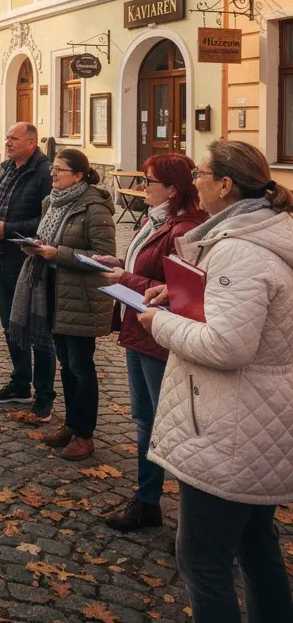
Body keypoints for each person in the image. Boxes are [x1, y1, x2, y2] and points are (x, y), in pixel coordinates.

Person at [137, 140, 293, 622]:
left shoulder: (241, 250)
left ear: (225, 185)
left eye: (201, 173)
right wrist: (181, 296)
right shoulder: (266, 232)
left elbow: (228, 345)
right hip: (259, 418)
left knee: (203, 560)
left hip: (230, 425)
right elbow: (245, 318)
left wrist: (157, 323)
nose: (195, 181)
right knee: (255, 546)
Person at [94, 154, 206, 534]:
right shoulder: (156, 219)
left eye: (150, 182)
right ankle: (147, 499)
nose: (143, 188)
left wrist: (125, 277)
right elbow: (148, 269)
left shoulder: (184, 230)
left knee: (161, 422)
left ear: (173, 189)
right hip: (139, 327)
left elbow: (181, 291)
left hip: (159, 334)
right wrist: (120, 263)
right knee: (144, 419)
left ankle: (158, 504)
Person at [10, 148, 115, 461]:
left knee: (82, 367)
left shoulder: (95, 208)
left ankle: (85, 435)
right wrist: (37, 249)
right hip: (52, 290)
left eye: (60, 170)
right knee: (67, 365)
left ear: (78, 176)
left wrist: (59, 254)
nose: (52, 174)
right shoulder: (50, 202)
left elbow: (104, 256)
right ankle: (71, 425)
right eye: (53, 169)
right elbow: (48, 240)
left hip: (81, 297)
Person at [0, 123, 53, 418]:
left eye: (13, 138)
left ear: (31, 143)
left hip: (27, 260)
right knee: (10, 324)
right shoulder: (6, 167)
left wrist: (9, 230)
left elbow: (46, 222)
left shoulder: (44, 173)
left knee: (36, 329)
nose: (7, 142)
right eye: (6, 137)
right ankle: (20, 384)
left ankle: (44, 395)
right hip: (2, 256)